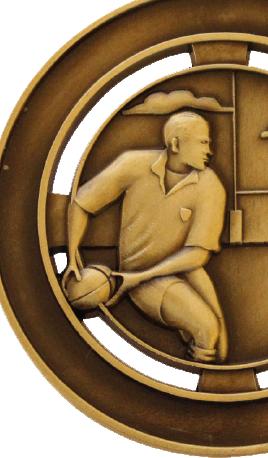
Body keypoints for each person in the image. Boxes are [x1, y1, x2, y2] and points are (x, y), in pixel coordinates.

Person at [62, 111, 228, 363]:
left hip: (184, 271)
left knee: (222, 344)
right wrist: (72, 257)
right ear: (176, 144)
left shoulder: (211, 185)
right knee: (207, 328)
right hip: (141, 277)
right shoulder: (133, 164)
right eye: (203, 142)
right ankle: (198, 381)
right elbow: (82, 203)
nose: (209, 151)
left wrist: (136, 278)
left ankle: (210, 378)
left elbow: (197, 255)